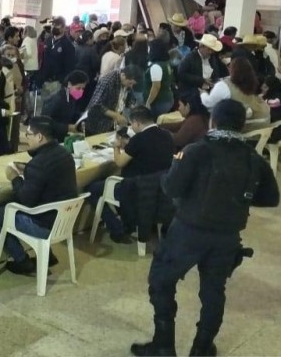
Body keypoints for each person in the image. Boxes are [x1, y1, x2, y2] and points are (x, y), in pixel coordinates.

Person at [130, 99, 279, 357]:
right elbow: (271, 197)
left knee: (161, 281)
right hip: (227, 236)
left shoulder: (196, 151)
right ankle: (201, 348)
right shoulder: (253, 158)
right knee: (213, 292)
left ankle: (164, 345)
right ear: (242, 125)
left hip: (188, 231)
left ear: (213, 121)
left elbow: (171, 187)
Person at [0, 116, 78, 276]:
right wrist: (28, 169)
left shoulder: (39, 163)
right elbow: (47, 176)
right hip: (64, 221)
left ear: (39, 137)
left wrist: (14, 178)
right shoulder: (65, 154)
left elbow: (25, 200)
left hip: (45, 226)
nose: (26, 137)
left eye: (28, 134)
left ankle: (22, 261)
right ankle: (47, 255)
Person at [86, 106, 174, 244]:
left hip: (135, 189)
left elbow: (120, 162)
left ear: (137, 123)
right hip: (159, 189)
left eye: (132, 124)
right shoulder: (167, 135)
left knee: (91, 189)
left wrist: (116, 146)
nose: (131, 127)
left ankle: (116, 228)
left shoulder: (139, 139)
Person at [200, 56, 270, 124]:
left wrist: (202, 93)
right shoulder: (251, 83)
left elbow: (208, 103)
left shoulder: (223, 86)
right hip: (260, 121)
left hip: (240, 125)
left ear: (232, 69)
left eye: (229, 66)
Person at [85, 65, 141, 135]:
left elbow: (129, 100)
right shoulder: (108, 81)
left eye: (133, 84)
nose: (131, 86)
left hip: (110, 123)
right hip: (97, 123)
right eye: (130, 83)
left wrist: (135, 110)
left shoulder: (126, 82)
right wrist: (116, 115)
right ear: (123, 75)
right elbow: (96, 105)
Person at [40, 70, 88, 141]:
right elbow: (44, 122)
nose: (81, 91)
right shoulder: (57, 100)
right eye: (78, 88)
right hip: (50, 139)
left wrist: (80, 122)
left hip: (62, 136)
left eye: (83, 89)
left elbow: (71, 114)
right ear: (69, 84)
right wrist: (67, 127)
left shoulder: (71, 97)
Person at [37, 17, 75, 98]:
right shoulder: (48, 40)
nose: (54, 27)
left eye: (57, 25)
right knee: (44, 107)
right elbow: (43, 60)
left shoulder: (68, 45)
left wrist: (62, 82)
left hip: (57, 82)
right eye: (53, 25)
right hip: (45, 80)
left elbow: (69, 67)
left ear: (64, 28)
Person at [144, 39, 175, 118]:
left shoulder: (156, 66)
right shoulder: (167, 63)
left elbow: (156, 87)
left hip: (159, 102)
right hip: (167, 98)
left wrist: (148, 102)